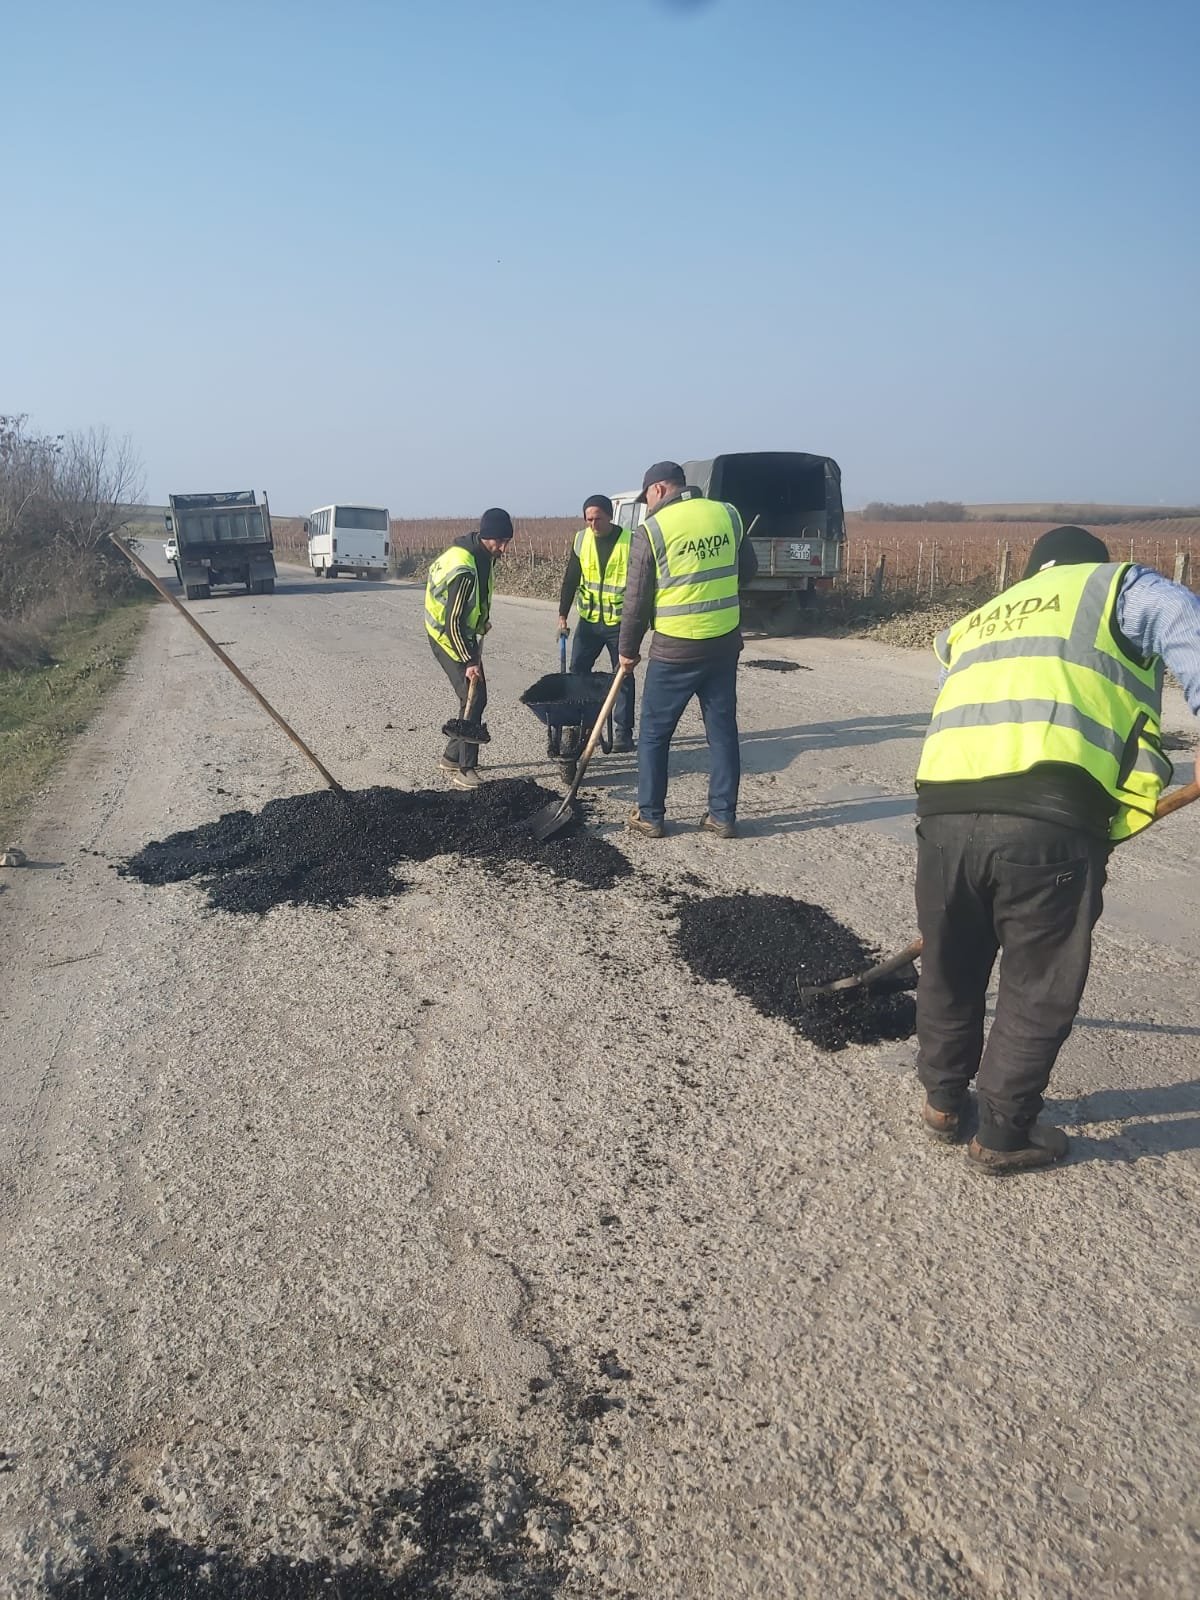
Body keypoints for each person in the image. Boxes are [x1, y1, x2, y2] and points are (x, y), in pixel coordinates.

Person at [914, 524, 1200, 1173]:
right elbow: (1184, 618)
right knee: (1036, 978)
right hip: (1046, 815)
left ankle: (941, 1098)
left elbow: (952, 697)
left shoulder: (978, 620)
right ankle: (1005, 1133)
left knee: (951, 959)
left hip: (943, 808)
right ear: (1088, 565)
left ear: (1035, 573)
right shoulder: (1114, 587)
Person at [618, 461, 759, 839]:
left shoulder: (653, 530)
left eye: (647, 496)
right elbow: (747, 569)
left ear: (660, 489)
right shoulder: (727, 514)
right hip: (724, 643)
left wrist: (627, 650)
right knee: (722, 731)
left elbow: (636, 600)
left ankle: (650, 816)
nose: (647, 505)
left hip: (675, 650)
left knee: (654, 734)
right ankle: (723, 816)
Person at [424, 508, 513, 789]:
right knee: (473, 697)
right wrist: (468, 659)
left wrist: (481, 619)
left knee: (476, 697)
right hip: (448, 636)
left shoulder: (482, 555)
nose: (504, 547)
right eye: (500, 541)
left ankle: (452, 756)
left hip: (464, 632)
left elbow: (473, 602)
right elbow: (452, 620)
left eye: (507, 540)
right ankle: (465, 768)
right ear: (486, 536)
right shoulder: (463, 566)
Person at [557, 494, 635, 752]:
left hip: (619, 623)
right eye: (588, 519)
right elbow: (570, 579)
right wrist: (562, 615)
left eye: (597, 519)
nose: (592, 524)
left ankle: (623, 733)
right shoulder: (581, 540)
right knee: (577, 671)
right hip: (589, 623)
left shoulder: (630, 541)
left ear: (610, 516)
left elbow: (641, 584)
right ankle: (582, 724)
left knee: (622, 676)